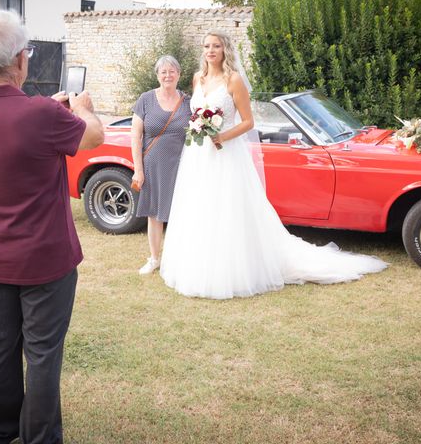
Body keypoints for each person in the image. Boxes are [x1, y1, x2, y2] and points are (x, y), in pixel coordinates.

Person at [0, 9, 104, 444]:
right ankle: (40, 438)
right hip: (45, 261)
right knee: (42, 354)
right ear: (18, 60)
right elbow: (92, 137)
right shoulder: (40, 116)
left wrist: (50, 111)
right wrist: (84, 110)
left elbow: (8, 126)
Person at [160, 31, 387, 299]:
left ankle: (232, 269)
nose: (211, 50)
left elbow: (247, 122)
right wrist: (199, 128)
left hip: (227, 154)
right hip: (199, 155)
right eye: (207, 46)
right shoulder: (198, 78)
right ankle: (196, 264)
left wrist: (221, 136)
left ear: (225, 49)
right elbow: (195, 114)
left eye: (217, 46)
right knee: (200, 207)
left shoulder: (234, 80)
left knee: (228, 209)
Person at [131, 55, 192, 275]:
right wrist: (138, 169)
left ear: (179, 74)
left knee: (181, 213)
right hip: (153, 165)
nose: (168, 75)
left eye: (172, 71)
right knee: (154, 214)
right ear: (157, 75)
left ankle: (180, 258)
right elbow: (135, 136)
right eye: (163, 71)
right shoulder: (145, 99)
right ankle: (154, 258)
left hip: (182, 166)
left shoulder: (188, 102)